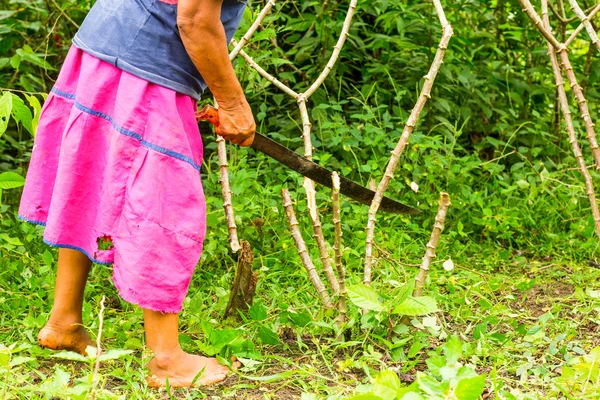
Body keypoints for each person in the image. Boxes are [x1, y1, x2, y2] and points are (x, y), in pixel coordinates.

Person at [17, 0, 255, 388]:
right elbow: (194, 18)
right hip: (148, 67)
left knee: (90, 180)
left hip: (103, 44)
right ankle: (165, 358)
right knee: (163, 203)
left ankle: (64, 322)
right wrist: (232, 103)